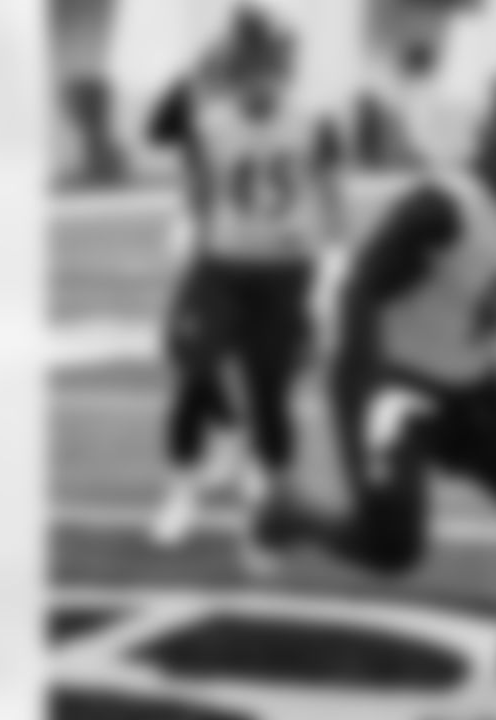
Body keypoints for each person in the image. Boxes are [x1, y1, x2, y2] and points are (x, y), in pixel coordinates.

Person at [275, 78, 496, 687]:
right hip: (388, 376)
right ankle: (294, 513)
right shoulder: (444, 205)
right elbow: (360, 289)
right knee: (393, 549)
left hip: (470, 384)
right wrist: (377, 390)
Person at [144, 4, 349, 575]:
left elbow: (333, 195)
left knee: (271, 400)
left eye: (269, 66)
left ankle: (266, 513)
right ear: (235, 70)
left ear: (284, 69)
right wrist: (184, 226)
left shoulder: (315, 122)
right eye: (248, 67)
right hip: (221, 268)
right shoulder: (209, 121)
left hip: (285, 276)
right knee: (192, 370)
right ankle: (184, 487)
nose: (259, 79)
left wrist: (336, 260)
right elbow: (179, 160)